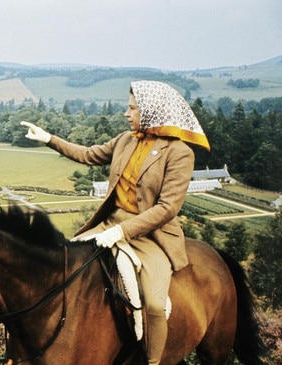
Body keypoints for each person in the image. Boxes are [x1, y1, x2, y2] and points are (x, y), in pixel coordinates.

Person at [21, 80, 210, 364]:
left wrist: (124, 230)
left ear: (151, 113)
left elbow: (167, 208)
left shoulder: (180, 153)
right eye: (128, 107)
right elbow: (87, 155)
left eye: (132, 108)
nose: (127, 113)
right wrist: (49, 139)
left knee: (156, 305)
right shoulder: (125, 140)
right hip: (108, 224)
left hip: (150, 236)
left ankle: (153, 361)